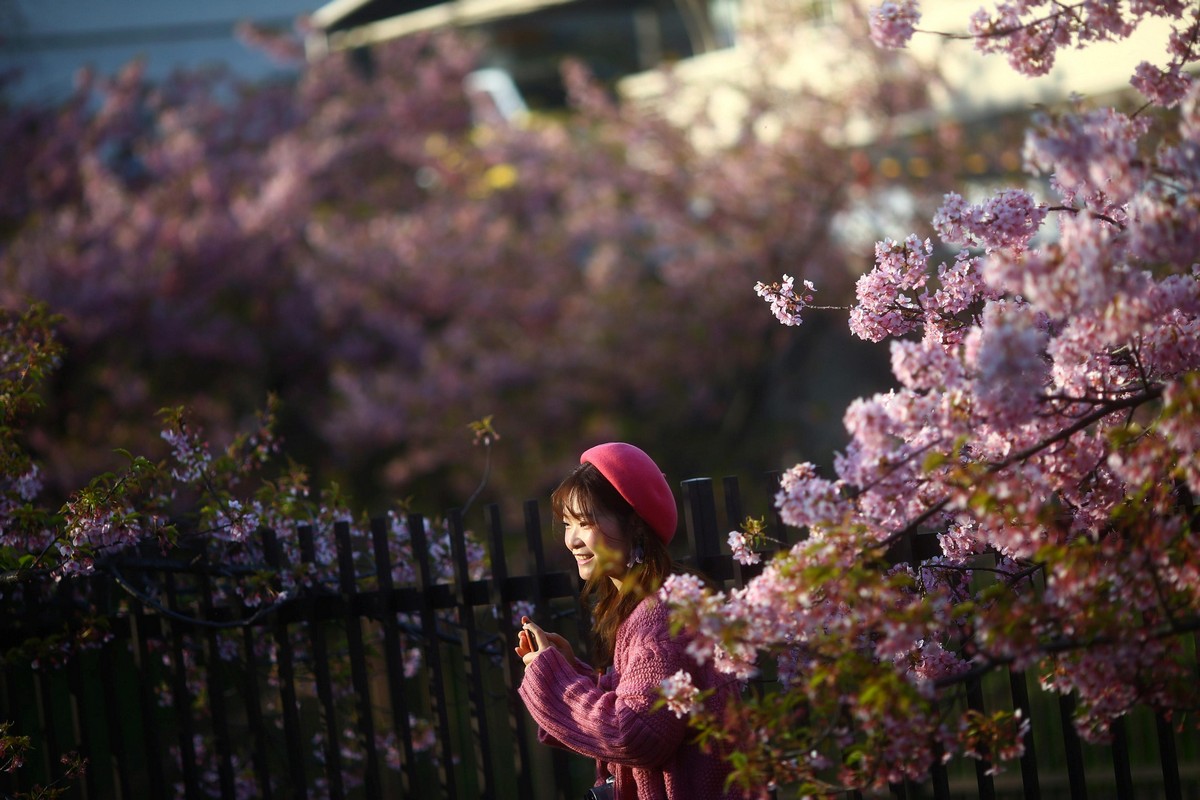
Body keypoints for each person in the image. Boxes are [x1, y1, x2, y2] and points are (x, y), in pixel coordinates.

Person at [515, 442, 740, 800]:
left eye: (585, 523)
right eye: (568, 524)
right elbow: (650, 712)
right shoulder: (653, 606)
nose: (572, 540)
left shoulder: (660, 616)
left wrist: (556, 683)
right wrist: (570, 672)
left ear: (635, 525)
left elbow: (636, 734)